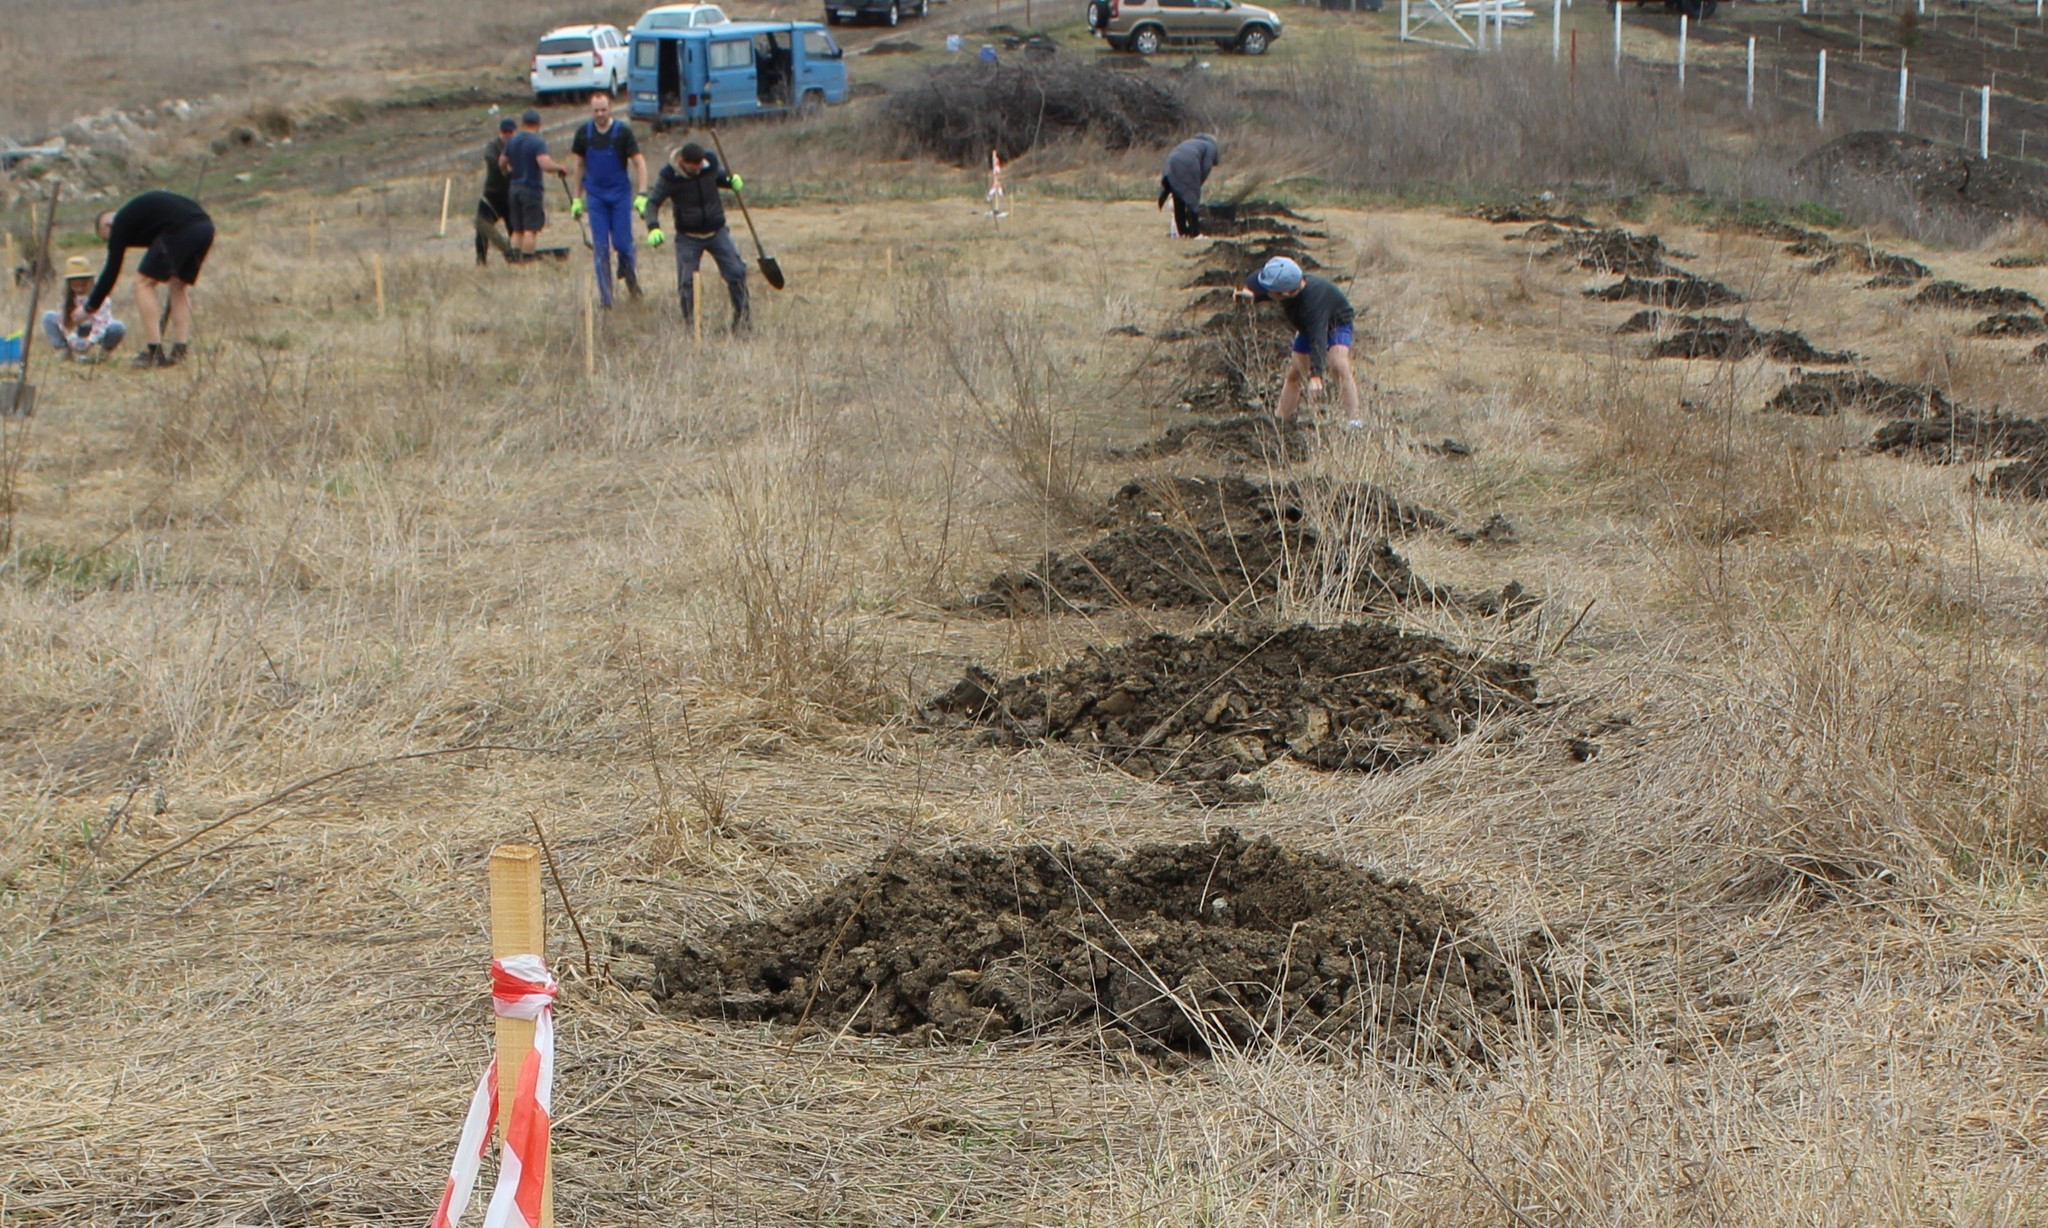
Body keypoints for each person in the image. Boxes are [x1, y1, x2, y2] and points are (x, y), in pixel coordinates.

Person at [84, 189, 214, 369]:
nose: (111, 243)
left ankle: (155, 353)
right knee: (178, 286)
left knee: (142, 283)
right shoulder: (137, 217)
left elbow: (111, 271)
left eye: (105, 238)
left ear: (107, 225)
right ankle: (179, 350)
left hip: (181, 229)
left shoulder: (120, 222)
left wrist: (90, 307)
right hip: (205, 228)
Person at [1233, 256, 1360, 422]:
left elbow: (1318, 338)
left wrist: (1316, 375)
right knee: (1296, 373)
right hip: (1306, 326)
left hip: (1337, 322)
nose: (1264, 291)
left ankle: (1354, 422)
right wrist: (1252, 296)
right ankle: (1280, 421)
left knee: (1338, 365)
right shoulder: (1286, 281)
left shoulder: (1313, 302)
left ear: (1285, 293)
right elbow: (1263, 287)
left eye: (1269, 290)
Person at [642, 142, 750, 334]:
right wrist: (653, 227)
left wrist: (731, 181)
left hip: (717, 232)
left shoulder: (710, 165)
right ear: (683, 162)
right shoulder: (669, 177)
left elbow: (721, 178)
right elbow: (652, 203)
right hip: (688, 237)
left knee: (737, 273)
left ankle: (742, 322)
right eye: (694, 166)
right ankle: (692, 328)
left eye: (701, 164)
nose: (699, 168)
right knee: (687, 284)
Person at [569, 92, 649, 306]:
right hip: (596, 198)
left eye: (604, 109)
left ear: (610, 108)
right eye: (596, 110)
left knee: (624, 244)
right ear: (591, 110)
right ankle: (607, 299)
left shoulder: (622, 132)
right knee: (601, 249)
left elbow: (639, 163)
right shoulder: (583, 134)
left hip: (620, 196)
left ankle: (631, 279)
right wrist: (577, 198)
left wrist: (642, 194)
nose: (600, 114)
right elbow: (578, 166)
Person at [500, 109, 570, 259]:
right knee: (530, 230)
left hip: (514, 189)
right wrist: (559, 167)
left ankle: (514, 260)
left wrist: (507, 171)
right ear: (538, 124)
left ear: (522, 123)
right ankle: (526, 260)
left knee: (517, 230)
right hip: (531, 189)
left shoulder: (512, 140)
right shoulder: (538, 142)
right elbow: (544, 163)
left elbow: (501, 162)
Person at [43, 255, 128, 360]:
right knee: (49, 317)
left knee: (118, 327)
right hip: (77, 330)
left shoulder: (100, 297)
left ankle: (103, 352)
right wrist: (72, 339)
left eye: (83, 286)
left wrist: (90, 341)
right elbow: (63, 320)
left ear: (90, 282)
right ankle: (64, 350)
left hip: (97, 331)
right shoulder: (67, 298)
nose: (79, 289)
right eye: (75, 286)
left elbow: (102, 322)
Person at [1159, 133, 1219, 239]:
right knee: (1192, 199)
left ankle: (1182, 232)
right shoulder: (1210, 147)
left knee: (1178, 198)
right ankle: (1195, 234)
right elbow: (1205, 168)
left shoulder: (1191, 143)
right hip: (1186, 164)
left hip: (1170, 163)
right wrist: (1197, 185)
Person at [476, 116, 517, 266]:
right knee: (482, 226)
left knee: (515, 229)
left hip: (512, 194)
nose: (507, 135)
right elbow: (491, 160)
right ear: (500, 132)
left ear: (515, 132)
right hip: (492, 195)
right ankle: (481, 260)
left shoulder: (519, 146)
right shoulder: (492, 146)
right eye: (504, 132)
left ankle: (515, 257)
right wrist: (509, 168)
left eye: (510, 132)